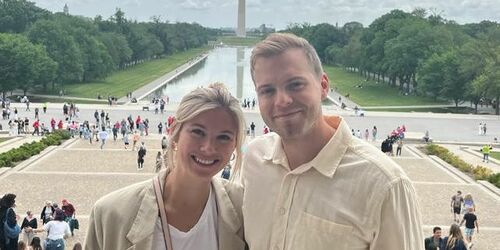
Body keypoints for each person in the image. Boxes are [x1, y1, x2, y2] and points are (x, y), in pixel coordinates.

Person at [241, 33, 423, 249]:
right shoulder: (254, 158)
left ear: (324, 86)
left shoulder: (385, 185)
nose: (282, 100)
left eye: (295, 84)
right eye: (267, 90)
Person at [85, 83, 246, 250]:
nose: (208, 147)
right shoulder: (109, 214)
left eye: (224, 137)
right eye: (198, 132)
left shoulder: (244, 209)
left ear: (235, 145)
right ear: (175, 131)